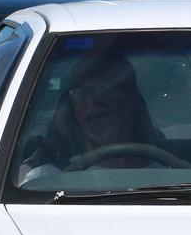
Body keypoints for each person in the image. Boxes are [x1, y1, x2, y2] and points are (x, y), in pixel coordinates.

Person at [19, 50, 164, 182]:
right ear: (72, 110)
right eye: (80, 94)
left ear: (130, 100)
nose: (91, 103)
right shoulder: (44, 182)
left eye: (102, 89)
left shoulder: (173, 178)